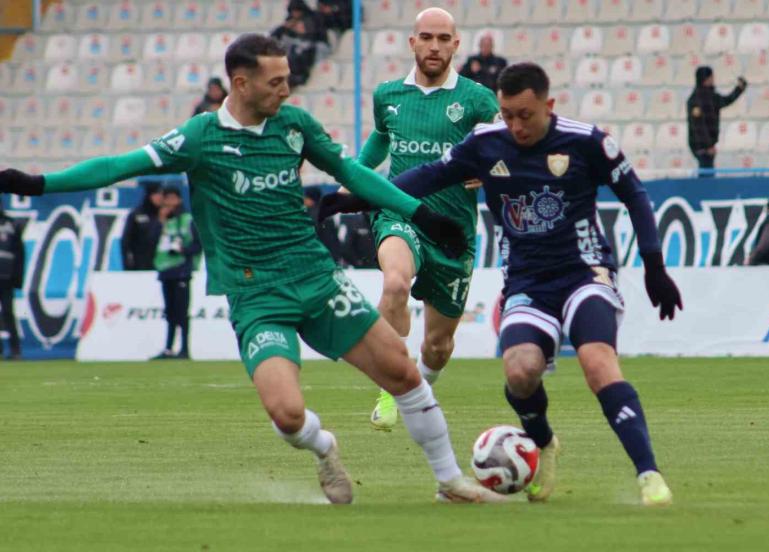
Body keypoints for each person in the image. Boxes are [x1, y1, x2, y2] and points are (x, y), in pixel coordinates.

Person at [0, 34, 503, 505]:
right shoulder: (200, 137)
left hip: (316, 277)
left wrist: (421, 215)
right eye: (276, 81)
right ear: (241, 83)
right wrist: (39, 184)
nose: (286, 89)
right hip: (256, 293)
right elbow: (116, 166)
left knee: (403, 372)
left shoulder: (295, 125)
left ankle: (449, 480)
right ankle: (324, 446)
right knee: (287, 415)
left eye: (287, 79)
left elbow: (351, 172)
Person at [320, 62, 682, 506]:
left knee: (597, 363)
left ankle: (649, 475)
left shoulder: (586, 142)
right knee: (520, 372)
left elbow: (635, 195)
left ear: (548, 105)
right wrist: (356, 199)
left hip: (584, 273)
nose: (516, 125)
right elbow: (424, 176)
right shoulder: (485, 144)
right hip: (526, 281)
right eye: (507, 115)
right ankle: (544, 443)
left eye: (525, 115)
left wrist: (654, 265)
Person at [354, 7, 500, 430]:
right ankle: (392, 388)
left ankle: (418, 387)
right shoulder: (387, 95)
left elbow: (506, 148)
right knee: (395, 283)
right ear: (412, 42)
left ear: (456, 45)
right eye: (426, 37)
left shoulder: (477, 99)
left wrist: (489, 171)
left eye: (443, 39)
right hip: (400, 212)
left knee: (438, 345)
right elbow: (381, 138)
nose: (434, 46)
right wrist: (355, 177)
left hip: (453, 230)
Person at [152, 187, 201, 360]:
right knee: (170, 312)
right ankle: (168, 348)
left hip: (181, 270)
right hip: (165, 270)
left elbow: (198, 245)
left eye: (173, 198)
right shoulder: (163, 221)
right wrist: (160, 221)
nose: (169, 203)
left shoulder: (188, 220)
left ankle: (185, 349)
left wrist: (182, 250)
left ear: (179, 199)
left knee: (182, 312)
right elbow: (150, 242)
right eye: (167, 198)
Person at [686, 66, 747, 177]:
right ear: (706, 79)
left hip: (708, 143)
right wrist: (707, 146)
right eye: (711, 77)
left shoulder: (711, 96)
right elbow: (698, 126)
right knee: (706, 175)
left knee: (708, 172)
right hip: (701, 145)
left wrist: (739, 89)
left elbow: (726, 100)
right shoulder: (695, 99)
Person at [270, 0, 327, 88]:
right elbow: (275, 35)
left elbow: (315, 35)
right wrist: (284, 27)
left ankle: (299, 76)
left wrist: (303, 30)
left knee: (301, 52)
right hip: (296, 45)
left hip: (313, 45)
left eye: (297, 11)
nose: (295, 14)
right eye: (293, 12)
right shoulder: (291, 19)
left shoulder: (313, 17)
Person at [121, 181, 163, 271]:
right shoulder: (137, 214)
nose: (159, 197)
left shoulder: (166, 213)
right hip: (141, 262)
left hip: (163, 262)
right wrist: (127, 264)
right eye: (156, 194)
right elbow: (126, 241)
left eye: (161, 194)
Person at [0, 203, 24, 360]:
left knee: (8, 313)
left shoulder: (11, 224)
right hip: (7, 276)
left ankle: (15, 350)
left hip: (6, 278)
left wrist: (17, 278)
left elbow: (20, 253)